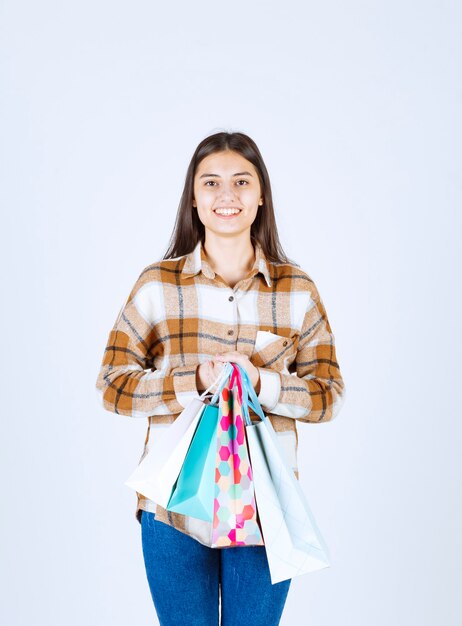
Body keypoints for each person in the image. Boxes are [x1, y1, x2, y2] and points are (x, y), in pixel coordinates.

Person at [95, 131, 346, 625]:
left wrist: (266, 384)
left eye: (241, 182)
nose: (226, 195)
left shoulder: (297, 291)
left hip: (265, 510)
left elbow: (328, 395)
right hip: (173, 510)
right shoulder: (157, 285)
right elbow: (112, 384)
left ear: (260, 197)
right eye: (211, 183)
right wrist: (192, 381)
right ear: (194, 197)